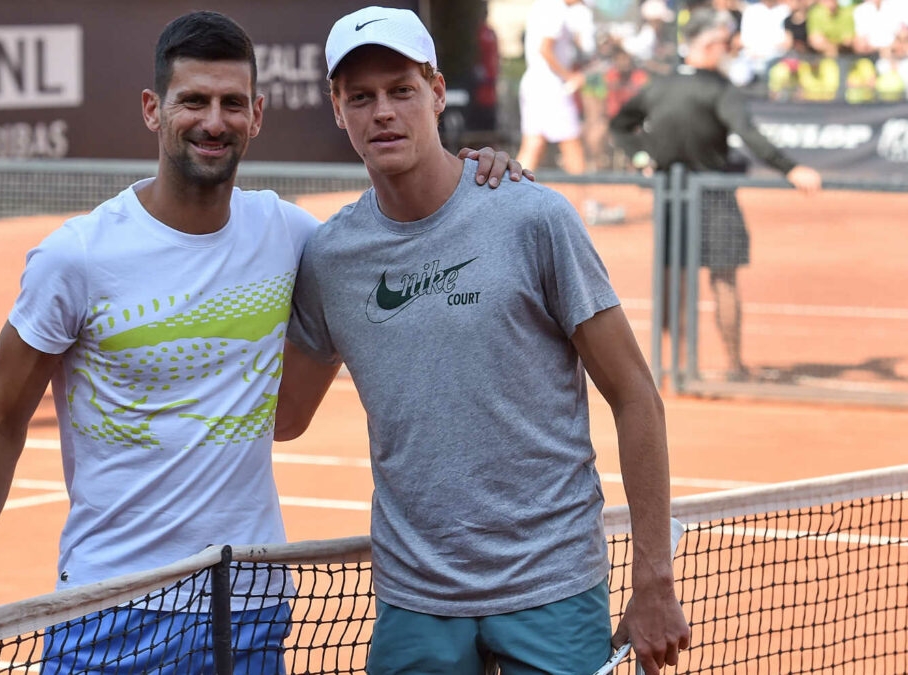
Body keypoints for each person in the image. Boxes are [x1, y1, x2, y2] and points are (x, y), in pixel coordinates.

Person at [0, 10, 529, 675]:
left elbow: (402, 228)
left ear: (258, 114)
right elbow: (1, 421)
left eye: (232, 103)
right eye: (195, 101)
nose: (214, 121)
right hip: (107, 609)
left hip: (244, 607)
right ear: (154, 109)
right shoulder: (77, 257)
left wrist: (478, 178)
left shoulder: (295, 239)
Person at [277, 6, 689, 674]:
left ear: (437, 93)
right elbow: (284, 415)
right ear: (336, 108)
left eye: (401, 90)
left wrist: (653, 579)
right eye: (361, 96)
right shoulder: (331, 258)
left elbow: (636, 394)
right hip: (416, 602)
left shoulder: (534, 217)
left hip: (552, 587)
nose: (382, 111)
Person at [609, 8, 823, 381]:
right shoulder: (719, 88)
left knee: (672, 278)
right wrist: (791, 167)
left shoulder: (660, 86)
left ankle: (674, 365)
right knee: (723, 279)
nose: (730, 47)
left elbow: (621, 124)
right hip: (714, 196)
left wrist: (642, 156)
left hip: (671, 196)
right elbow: (751, 135)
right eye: (725, 43)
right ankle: (734, 365)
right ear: (707, 45)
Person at [517, 0, 592, 173]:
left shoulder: (546, 5)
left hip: (537, 84)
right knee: (571, 144)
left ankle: (509, 196)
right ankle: (581, 198)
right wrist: (570, 77)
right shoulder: (555, 8)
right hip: (550, 87)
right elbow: (545, 49)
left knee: (533, 144)